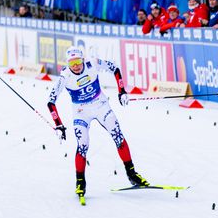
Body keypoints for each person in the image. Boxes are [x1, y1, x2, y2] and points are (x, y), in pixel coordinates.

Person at [47, 46, 149, 202]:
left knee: (118, 135)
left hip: (101, 106)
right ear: (68, 64)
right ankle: (80, 181)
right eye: (72, 62)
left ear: (83, 59)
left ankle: (132, 174)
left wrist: (121, 91)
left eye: (78, 61)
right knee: (83, 144)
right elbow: (51, 102)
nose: (76, 65)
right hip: (81, 112)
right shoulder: (64, 77)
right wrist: (59, 125)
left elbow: (115, 68)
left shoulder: (92, 63)